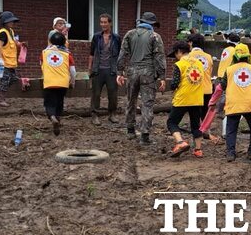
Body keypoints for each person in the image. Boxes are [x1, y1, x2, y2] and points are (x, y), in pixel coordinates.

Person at [116, 12, 166, 146]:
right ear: (152, 24)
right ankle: (145, 135)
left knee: (130, 100)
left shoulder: (130, 34)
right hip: (148, 72)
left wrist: (119, 72)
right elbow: (159, 57)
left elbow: (122, 54)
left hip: (131, 71)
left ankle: (130, 129)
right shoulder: (155, 36)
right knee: (147, 103)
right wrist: (162, 76)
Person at [219, 43, 251, 162]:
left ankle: (230, 153)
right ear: (248, 55)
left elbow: (223, 85)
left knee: (231, 130)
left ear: (235, 56)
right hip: (250, 103)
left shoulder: (229, 70)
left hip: (233, 104)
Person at [166, 41, 205, 158]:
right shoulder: (199, 63)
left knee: (172, 122)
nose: (175, 57)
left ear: (179, 51)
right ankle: (198, 150)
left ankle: (180, 142)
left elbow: (174, 83)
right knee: (196, 125)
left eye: (175, 54)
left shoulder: (180, 64)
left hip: (183, 98)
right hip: (197, 98)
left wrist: (171, 87)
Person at [88, 13, 121, 126]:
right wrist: (90, 68)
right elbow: (91, 53)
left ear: (110, 23)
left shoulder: (116, 38)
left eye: (105, 22)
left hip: (111, 70)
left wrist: (120, 70)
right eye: (101, 22)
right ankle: (94, 115)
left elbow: (120, 55)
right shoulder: (96, 37)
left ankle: (112, 114)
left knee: (112, 94)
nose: (103, 24)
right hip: (98, 69)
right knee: (96, 94)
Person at [41, 32, 76, 135]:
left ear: (51, 41)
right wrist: (72, 81)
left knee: (49, 103)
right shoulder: (67, 54)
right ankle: (58, 119)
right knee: (59, 102)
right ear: (64, 42)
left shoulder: (44, 52)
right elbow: (73, 71)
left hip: (49, 82)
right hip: (63, 83)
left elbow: (42, 65)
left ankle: (52, 117)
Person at [187, 33, 219, 142]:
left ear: (191, 43)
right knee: (205, 113)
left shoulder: (188, 57)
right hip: (207, 88)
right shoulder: (209, 57)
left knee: (194, 114)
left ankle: (197, 137)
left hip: (194, 89)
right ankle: (206, 132)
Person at [0, 11, 26, 107]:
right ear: (5, 22)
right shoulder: (2, 33)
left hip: (10, 61)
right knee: (5, 80)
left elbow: (15, 42)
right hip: (3, 62)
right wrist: (0, 60)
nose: (12, 23)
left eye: (13, 21)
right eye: (10, 21)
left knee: (13, 79)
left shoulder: (11, 31)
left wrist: (21, 44)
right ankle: (0, 100)